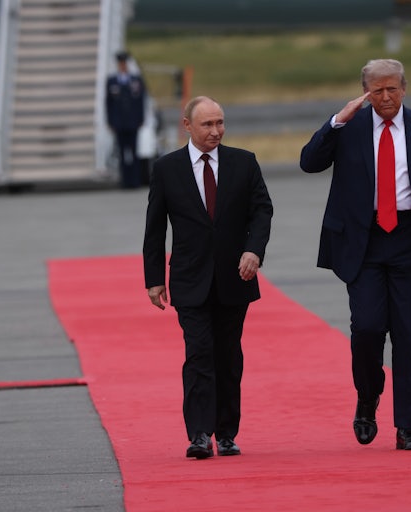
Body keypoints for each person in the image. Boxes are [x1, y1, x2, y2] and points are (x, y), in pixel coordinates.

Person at [299, 59, 411, 451]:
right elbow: (309, 163)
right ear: (364, 91)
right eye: (377, 90)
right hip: (363, 240)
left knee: (408, 335)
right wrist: (337, 119)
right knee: (368, 328)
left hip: (409, 239)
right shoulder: (349, 126)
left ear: (404, 88)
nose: (385, 97)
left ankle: (409, 425)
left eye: (392, 89)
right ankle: (368, 398)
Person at [144, 96, 273, 459]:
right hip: (189, 279)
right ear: (187, 126)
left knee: (228, 356)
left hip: (236, 276)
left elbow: (262, 211)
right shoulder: (167, 169)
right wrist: (153, 278)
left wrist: (254, 250)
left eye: (220, 123)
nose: (215, 131)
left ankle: (227, 433)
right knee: (199, 353)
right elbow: (154, 228)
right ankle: (200, 434)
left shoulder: (243, 163)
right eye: (207, 125)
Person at [106, 51, 146, 189]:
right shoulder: (112, 81)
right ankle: (125, 181)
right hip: (119, 122)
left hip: (133, 122)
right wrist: (110, 121)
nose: (123, 66)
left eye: (124, 63)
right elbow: (108, 104)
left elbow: (141, 101)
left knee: (134, 152)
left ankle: (135, 181)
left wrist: (141, 118)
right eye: (121, 63)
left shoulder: (136, 80)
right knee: (122, 152)